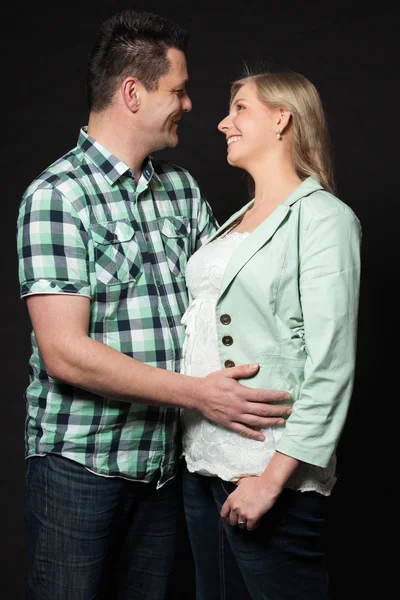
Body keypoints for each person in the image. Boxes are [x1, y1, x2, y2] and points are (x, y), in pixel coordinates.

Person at [16, 11, 292, 600]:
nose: (190, 105)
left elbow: (234, 289)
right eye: (179, 90)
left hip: (164, 473)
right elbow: (65, 354)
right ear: (133, 93)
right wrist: (200, 395)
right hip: (78, 469)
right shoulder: (57, 196)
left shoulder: (182, 191)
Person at [181, 69, 361, 600]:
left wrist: (270, 482)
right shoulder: (235, 221)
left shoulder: (325, 219)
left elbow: (332, 364)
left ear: (282, 118)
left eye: (240, 108)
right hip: (202, 458)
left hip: (265, 468)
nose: (222, 123)